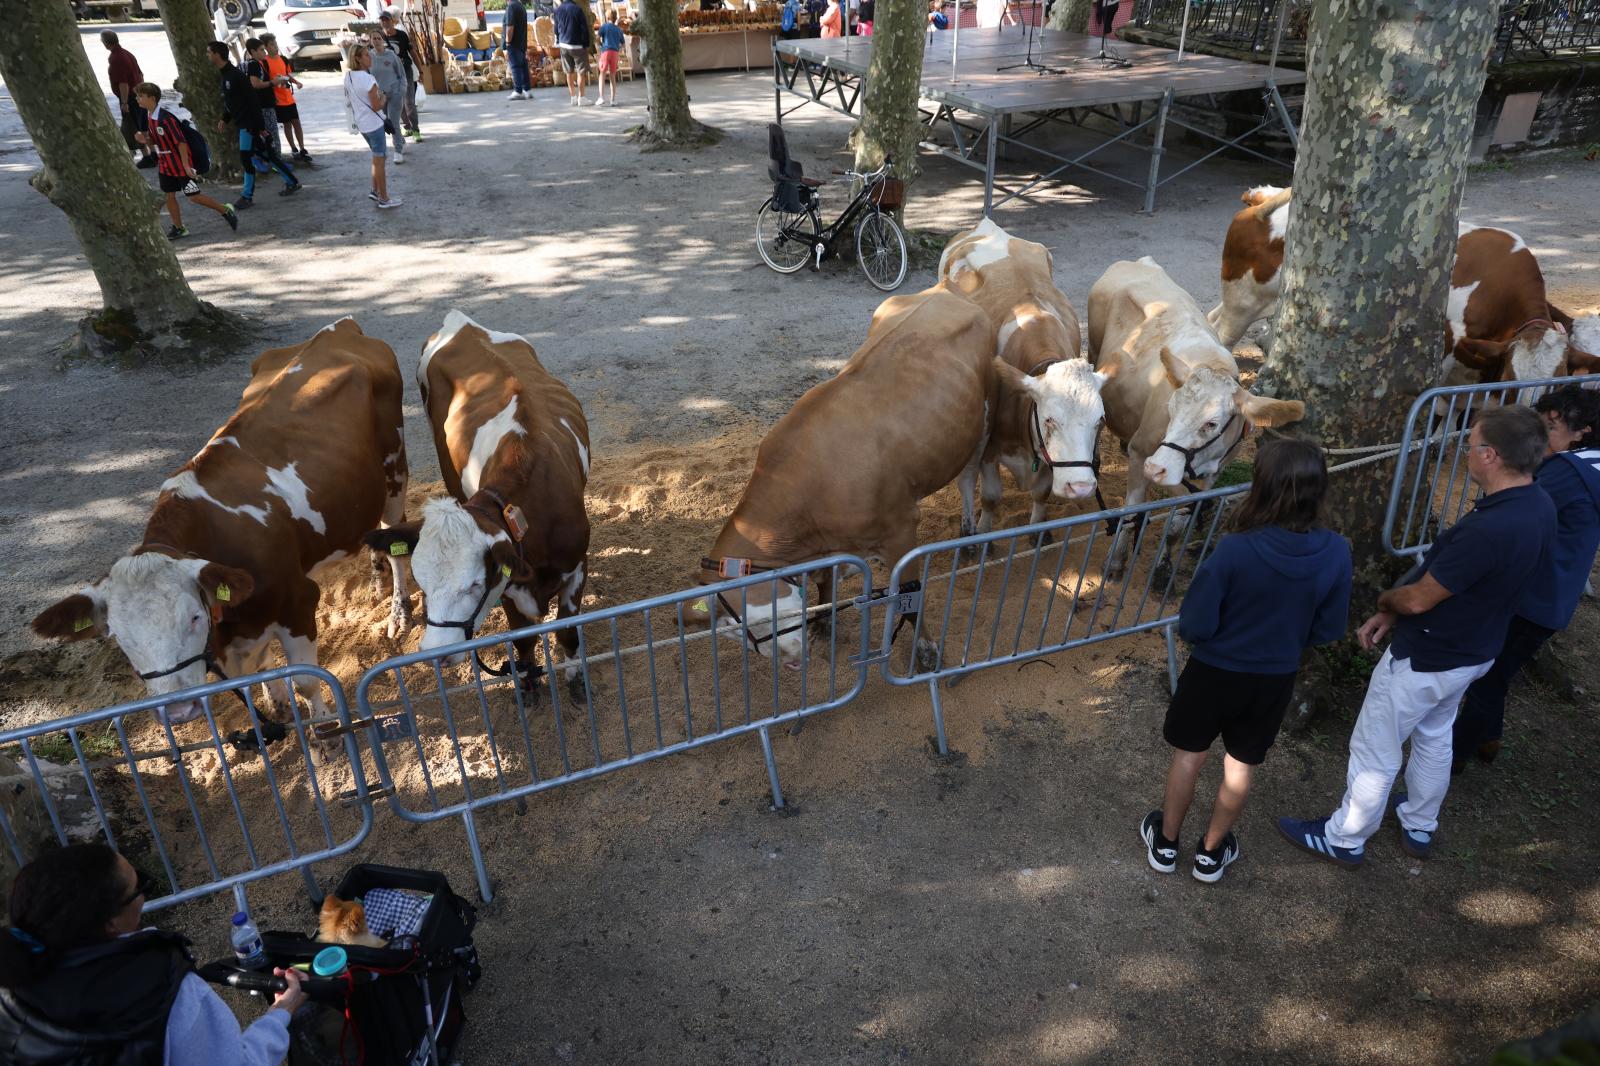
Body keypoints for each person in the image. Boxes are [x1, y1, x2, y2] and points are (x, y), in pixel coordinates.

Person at [1279, 405, 1557, 867]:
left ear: (1490, 456)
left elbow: (1420, 599)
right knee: (1434, 735)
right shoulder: (1538, 504)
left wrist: (1388, 603)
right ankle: (1419, 822)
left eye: (1470, 445)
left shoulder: (1489, 529)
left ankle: (1345, 837)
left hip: (1427, 656)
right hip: (1476, 651)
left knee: (1375, 746)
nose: (1465, 453)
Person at [1141, 439, 1352, 884]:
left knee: (1188, 757)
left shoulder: (1236, 549)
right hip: (1273, 677)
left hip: (1214, 670)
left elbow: (1195, 623)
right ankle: (1211, 854)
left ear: (1262, 485)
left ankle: (1165, 843)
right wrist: (1287, 640)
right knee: (1240, 768)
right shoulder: (1336, 551)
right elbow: (1328, 628)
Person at [0, 844, 304, 1064]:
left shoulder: (10, 983)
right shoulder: (163, 991)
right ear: (112, 923)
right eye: (140, 886)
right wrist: (280, 1015)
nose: (144, 894)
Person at [1452, 386, 1600, 772]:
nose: (1542, 433)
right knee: (1498, 669)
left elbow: (1511, 508)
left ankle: (1451, 759)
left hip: (1533, 595)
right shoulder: (1591, 465)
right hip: (1553, 594)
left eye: (1551, 426)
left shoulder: (1567, 473)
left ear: (1583, 430)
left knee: (1489, 676)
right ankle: (1488, 737)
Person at [133, 82, 238, 242]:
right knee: (169, 196)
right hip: (166, 165)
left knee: (194, 196)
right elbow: (158, 141)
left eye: (140, 96)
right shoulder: (150, 116)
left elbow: (181, 142)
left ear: (152, 98)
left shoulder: (165, 118)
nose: (137, 99)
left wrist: (186, 166)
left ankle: (225, 210)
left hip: (179, 166)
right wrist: (145, 139)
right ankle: (179, 228)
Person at [207, 40, 300, 209]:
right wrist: (225, 118)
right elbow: (233, 102)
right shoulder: (226, 75)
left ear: (217, 55)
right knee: (267, 155)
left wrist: (258, 127)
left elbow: (252, 101)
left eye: (209, 52)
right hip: (246, 123)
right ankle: (292, 181)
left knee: (246, 159)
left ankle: (247, 196)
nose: (207, 55)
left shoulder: (235, 76)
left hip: (249, 125)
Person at [345, 44, 401, 208]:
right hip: (374, 124)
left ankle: (375, 190)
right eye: (366, 55)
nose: (370, 58)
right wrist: (383, 97)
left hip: (362, 124)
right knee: (380, 161)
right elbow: (377, 106)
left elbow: (349, 101)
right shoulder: (368, 79)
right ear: (358, 59)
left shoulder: (348, 76)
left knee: (377, 159)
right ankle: (384, 198)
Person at [103, 31, 154, 168]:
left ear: (105, 43)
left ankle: (147, 156)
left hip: (130, 97)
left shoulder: (116, 58)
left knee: (134, 127)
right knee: (143, 126)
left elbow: (123, 83)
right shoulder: (127, 53)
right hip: (138, 93)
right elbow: (140, 74)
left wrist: (124, 102)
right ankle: (153, 154)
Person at [260, 34, 310, 162]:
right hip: (278, 100)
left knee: (297, 123)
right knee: (287, 124)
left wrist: (296, 82)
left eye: (275, 43)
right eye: (271, 44)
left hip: (289, 97)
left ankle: (302, 148)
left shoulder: (283, 59)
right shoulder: (264, 62)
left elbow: (287, 75)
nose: (275, 46)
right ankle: (294, 149)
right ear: (265, 47)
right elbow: (266, 81)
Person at [380, 11, 424, 142]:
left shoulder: (402, 35)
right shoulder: (379, 37)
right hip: (389, 74)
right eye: (382, 20)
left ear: (392, 21)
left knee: (409, 102)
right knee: (397, 103)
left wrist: (421, 71)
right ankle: (407, 126)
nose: (384, 22)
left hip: (405, 71)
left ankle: (416, 130)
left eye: (386, 19)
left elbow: (413, 53)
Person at [369, 33, 408, 164]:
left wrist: (402, 90)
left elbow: (401, 74)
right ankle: (401, 139)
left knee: (393, 121)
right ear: (370, 41)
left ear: (383, 41)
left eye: (379, 38)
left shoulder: (391, 55)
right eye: (373, 38)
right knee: (385, 122)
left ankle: (398, 151)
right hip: (380, 95)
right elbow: (367, 76)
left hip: (395, 92)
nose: (376, 41)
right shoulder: (369, 56)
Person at [554, 0, 594, 105]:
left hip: (563, 44)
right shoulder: (577, 9)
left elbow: (555, 29)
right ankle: (582, 98)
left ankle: (573, 97)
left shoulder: (558, 10)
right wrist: (585, 44)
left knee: (569, 72)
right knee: (581, 72)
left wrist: (558, 40)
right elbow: (584, 28)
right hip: (577, 45)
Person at [596, 10, 625, 106]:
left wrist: (601, 46)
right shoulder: (619, 29)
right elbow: (623, 44)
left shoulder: (604, 27)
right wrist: (617, 47)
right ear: (615, 18)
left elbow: (597, 38)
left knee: (602, 74)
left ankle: (601, 97)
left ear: (607, 17)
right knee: (613, 75)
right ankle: (612, 99)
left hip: (606, 51)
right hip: (615, 52)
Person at [505, 0, 532, 100]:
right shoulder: (521, 6)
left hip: (514, 43)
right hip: (521, 42)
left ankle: (518, 91)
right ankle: (527, 90)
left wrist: (507, 43)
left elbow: (510, 27)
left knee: (515, 66)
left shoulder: (511, 7)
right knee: (523, 66)